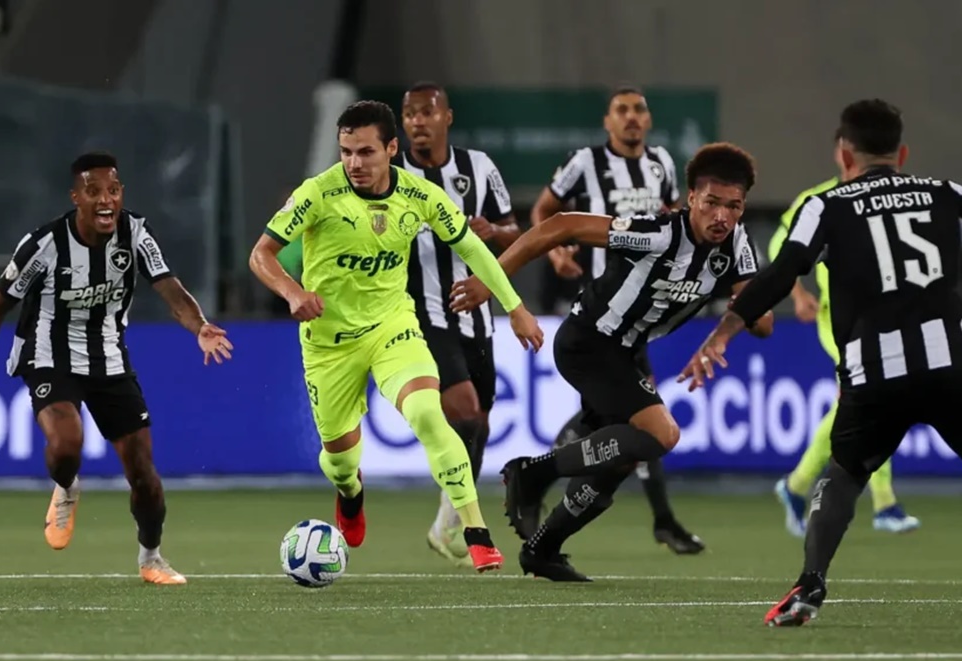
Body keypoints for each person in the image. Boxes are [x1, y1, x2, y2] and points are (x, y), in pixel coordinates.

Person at [680, 99, 962, 630]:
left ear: (844, 154)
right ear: (902, 153)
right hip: (956, 363)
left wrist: (724, 332)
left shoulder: (828, 205)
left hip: (873, 372)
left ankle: (808, 586)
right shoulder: (942, 193)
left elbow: (784, 270)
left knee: (843, 476)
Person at [451, 142, 772, 580]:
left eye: (733, 206)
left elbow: (763, 318)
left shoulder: (737, 245)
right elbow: (560, 225)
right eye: (712, 203)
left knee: (619, 462)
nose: (721, 217)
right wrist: (492, 281)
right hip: (587, 342)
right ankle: (533, 473)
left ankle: (543, 550)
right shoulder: (657, 232)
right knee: (662, 433)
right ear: (691, 198)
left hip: (625, 353)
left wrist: (721, 335)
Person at [248, 100, 544, 574]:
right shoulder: (317, 193)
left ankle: (475, 533)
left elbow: (471, 246)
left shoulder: (419, 194)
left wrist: (517, 308)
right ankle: (350, 494)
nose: (353, 163)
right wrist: (291, 291)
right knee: (340, 462)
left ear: (391, 149)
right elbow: (261, 254)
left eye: (365, 152)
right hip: (330, 343)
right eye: (345, 152)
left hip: (393, 327)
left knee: (429, 414)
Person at [0, 152, 232, 585]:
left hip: (109, 357)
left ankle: (151, 558)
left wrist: (200, 326)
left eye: (112, 191)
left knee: (145, 477)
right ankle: (67, 486)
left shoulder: (135, 233)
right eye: (93, 191)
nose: (105, 200)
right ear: (75, 197)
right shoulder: (43, 245)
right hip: (48, 354)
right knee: (66, 445)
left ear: (121, 194)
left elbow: (169, 287)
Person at [529, 85, 704, 555]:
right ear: (608, 122)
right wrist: (559, 252)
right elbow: (546, 211)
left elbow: (674, 220)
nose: (631, 117)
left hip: (642, 311)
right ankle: (662, 520)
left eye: (639, 109)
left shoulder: (663, 163)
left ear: (648, 120)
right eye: (621, 110)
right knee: (642, 417)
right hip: (602, 310)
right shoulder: (584, 162)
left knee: (613, 416)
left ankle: (540, 474)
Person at [394, 82, 523, 565]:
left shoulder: (479, 168)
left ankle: (444, 525)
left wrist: (494, 231)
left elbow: (515, 229)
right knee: (465, 412)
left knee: (481, 424)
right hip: (419, 312)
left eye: (426, 112)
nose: (417, 122)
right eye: (409, 114)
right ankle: (472, 530)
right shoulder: (392, 174)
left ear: (447, 117)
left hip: (477, 315)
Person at [770, 170, 921, 537]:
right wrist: (798, 293)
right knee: (874, 397)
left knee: (864, 401)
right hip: (839, 319)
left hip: (881, 317)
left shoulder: (892, 198)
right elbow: (780, 245)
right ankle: (884, 502)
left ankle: (797, 485)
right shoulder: (818, 198)